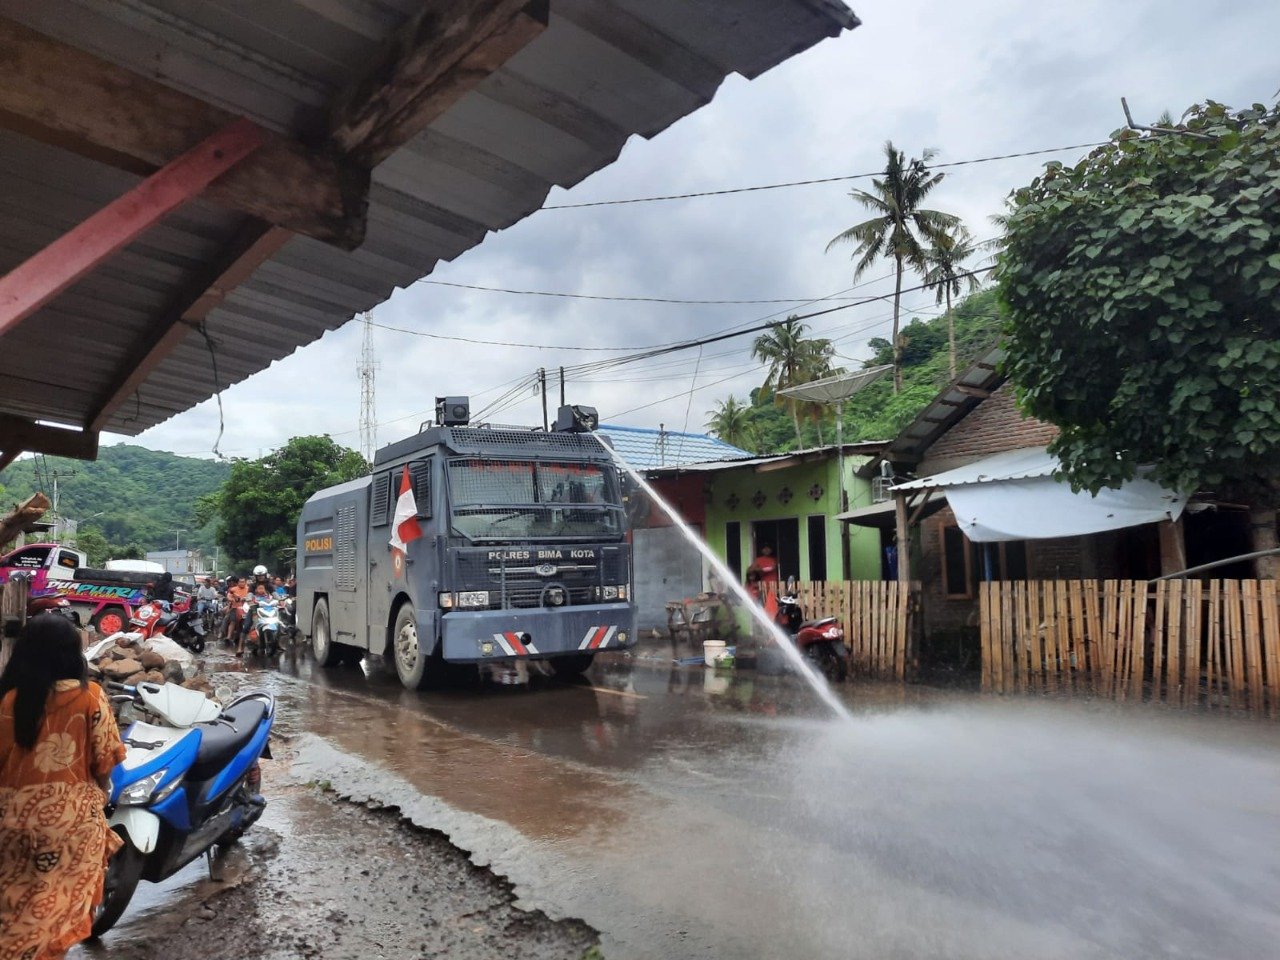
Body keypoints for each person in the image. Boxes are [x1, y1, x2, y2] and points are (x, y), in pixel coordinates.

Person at [0, 614, 127, 959]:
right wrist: (101, 792)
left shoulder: (8, 699)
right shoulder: (90, 697)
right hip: (68, 824)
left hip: (10, 819)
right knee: (56, 911)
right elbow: (105, 760)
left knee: (13, 908)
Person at [225, 575, 249, 650]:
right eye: (240, 582)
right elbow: (229, 596)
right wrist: (231, 599)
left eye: (243, 582)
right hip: (235, 608)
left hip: (246, 608)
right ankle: (228, 637)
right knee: (233, 622)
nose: (241, 583)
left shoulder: (249, 589)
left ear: (245, 582)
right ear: (238, 582)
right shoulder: (233, 589)